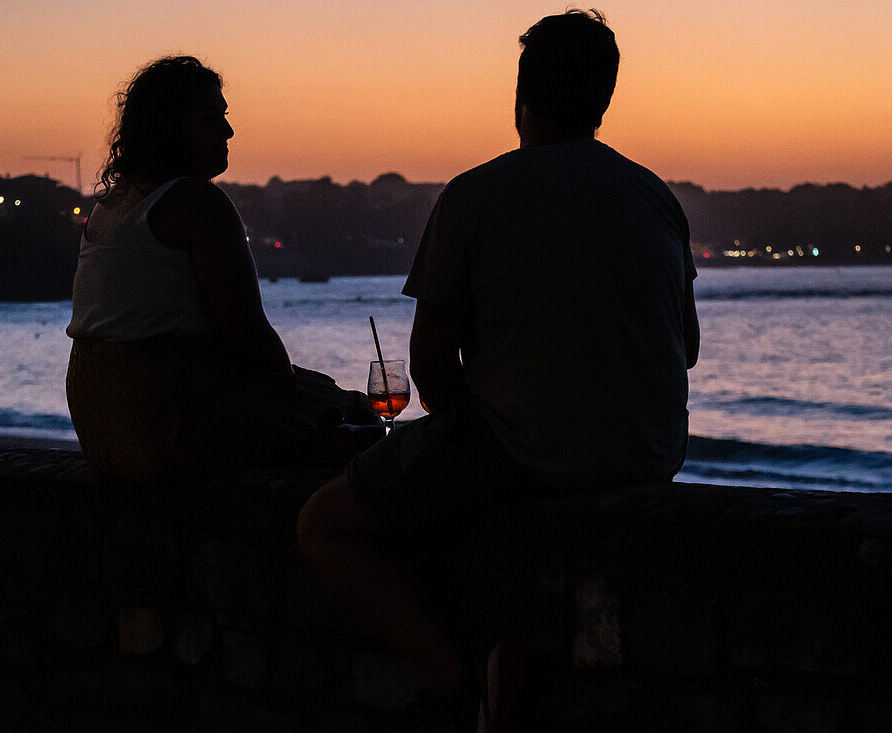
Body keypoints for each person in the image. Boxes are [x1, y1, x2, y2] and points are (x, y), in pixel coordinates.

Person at [297, 9, 699, 731]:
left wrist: (466, 433)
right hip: (650, 454)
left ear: (521, 96)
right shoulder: (657, 198)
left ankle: (457, 679)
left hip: (525, 457)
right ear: (603, 101)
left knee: (322, 523)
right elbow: (686, 348)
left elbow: (428, 364)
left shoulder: (475, 196)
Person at [66, 56, 377, 483]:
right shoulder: (195, 202)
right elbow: (251, 337)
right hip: (172, 431)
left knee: (321, 397)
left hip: (106, 432)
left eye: (224, 117)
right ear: (170, 129)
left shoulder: (107, 209)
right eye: (211, 119)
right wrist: (298, 403)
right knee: (359, 413)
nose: (228, 132)